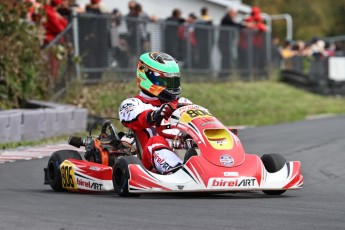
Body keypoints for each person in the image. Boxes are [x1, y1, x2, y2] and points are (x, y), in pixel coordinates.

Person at [118, 52, 192, 174]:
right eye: (164, 80)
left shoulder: (184, 102)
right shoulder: (132, 103)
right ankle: (179, 173)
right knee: (156, 141)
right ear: (146, 76)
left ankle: (221, 168)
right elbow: (135, 119)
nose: (170, 86)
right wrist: (156, 114)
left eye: (173, 81)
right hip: (150, 161)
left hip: (182, 153)